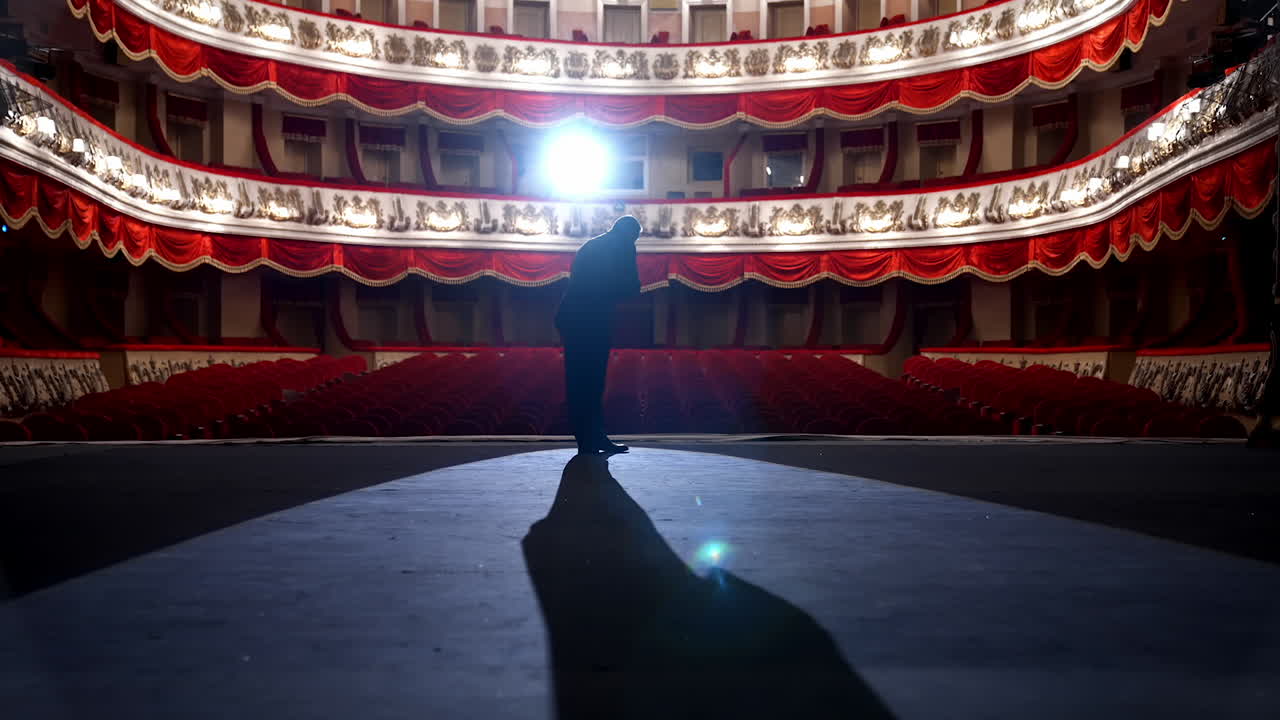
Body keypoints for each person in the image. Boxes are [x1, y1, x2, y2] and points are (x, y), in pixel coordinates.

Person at [555, 215, 641, 455]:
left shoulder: (592, 244)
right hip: (591, 320)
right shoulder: (624, 244)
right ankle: (592, 438)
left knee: (579, 381)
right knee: (591, 381)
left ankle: (589, 438)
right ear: (632, 234)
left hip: (573, 318)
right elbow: (631, 285)